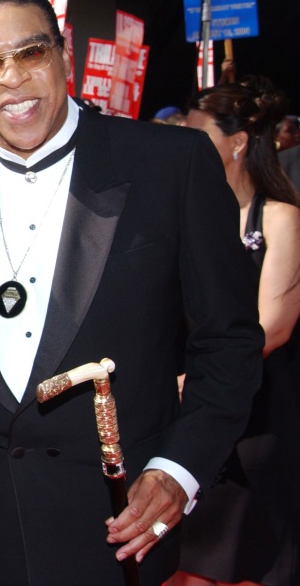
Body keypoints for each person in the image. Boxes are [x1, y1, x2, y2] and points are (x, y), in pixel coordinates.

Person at [0, 0, 263, 585]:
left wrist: (179, 468)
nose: (12, 79)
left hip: (117, 526)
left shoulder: (171, 163)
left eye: (31, 53)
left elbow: (228, 341)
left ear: (63, 53)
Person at [172, 78, 300, 586]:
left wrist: (200, 379)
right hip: (188, 415)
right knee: (182, 563)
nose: (186, 144)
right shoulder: (188, 215)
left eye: (198, 134)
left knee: (240, 561)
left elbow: (275, 325)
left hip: (255, 414)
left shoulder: (279, 218)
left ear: (238, 143)